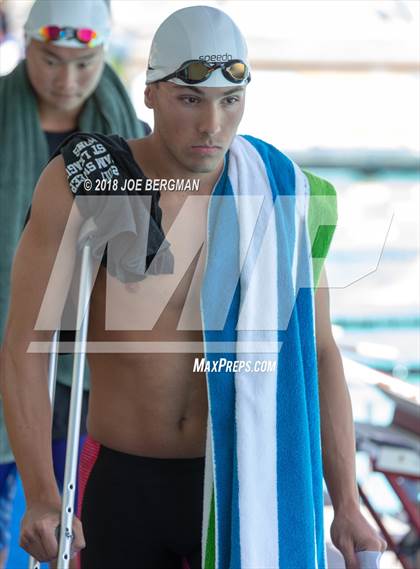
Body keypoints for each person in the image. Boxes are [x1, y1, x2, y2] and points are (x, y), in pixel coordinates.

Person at [0, 5, 387, 569]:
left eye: (230, 100)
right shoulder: (88, 185)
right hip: (121, 479)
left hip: (236, 481)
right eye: (190, 99)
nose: (212, 125)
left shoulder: (277, 192)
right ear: (152, 93)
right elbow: (24, 344)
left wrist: (346, 502)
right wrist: (41, 492)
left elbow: (320, 350)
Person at [0, 0, 150, 566]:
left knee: (73, 528)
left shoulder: (131, 137)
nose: (67, 80)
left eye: (84, 63)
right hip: (7, 341)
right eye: (51, 60)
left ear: (103, 55)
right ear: (28, 47)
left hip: (77, 366)